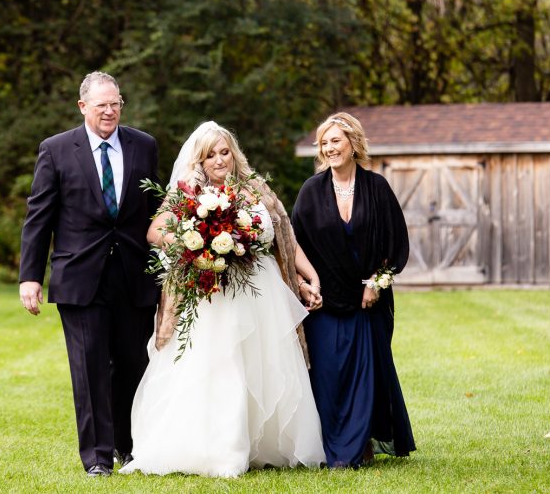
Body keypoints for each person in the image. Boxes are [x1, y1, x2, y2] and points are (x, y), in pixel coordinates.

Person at [119, 121, 326, 477]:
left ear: (234, 153)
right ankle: (222, 449)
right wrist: (195, 248)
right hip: (212, 295)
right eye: (210, 155)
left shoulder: (255, 187)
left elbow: (285, 237)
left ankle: (266, 445)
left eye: (224, 152)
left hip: (261, 291)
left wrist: (311, 276)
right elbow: (155, 231)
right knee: (221, 366)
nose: (219, 160)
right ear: (199, 161)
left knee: (263, 365)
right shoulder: (188, 192)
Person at [18, 72, 161, 477]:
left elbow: (157, 210)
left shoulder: (143, 145)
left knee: (133, 363)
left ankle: (128, 446)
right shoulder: (56, 150)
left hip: (133, 274)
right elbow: (39, 217)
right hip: (80, 277)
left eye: (116, 104)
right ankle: (97, 457)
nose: (110, 111)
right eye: (102, 105)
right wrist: (30, 276)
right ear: (83, 107)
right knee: (90, 366)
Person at [291, 111, 416, 468]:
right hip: (325, 302)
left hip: (367, 302)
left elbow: (396, 243)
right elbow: (293, 245)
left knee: (366, 376)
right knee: (329, 376)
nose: (329, 148)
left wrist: (376, 282)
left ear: (353, 143)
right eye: (324, 143)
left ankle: (362, 443)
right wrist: (303, 284)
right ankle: (332, 445)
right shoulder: (311, 191)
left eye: (336, 141)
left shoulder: (377, 188)